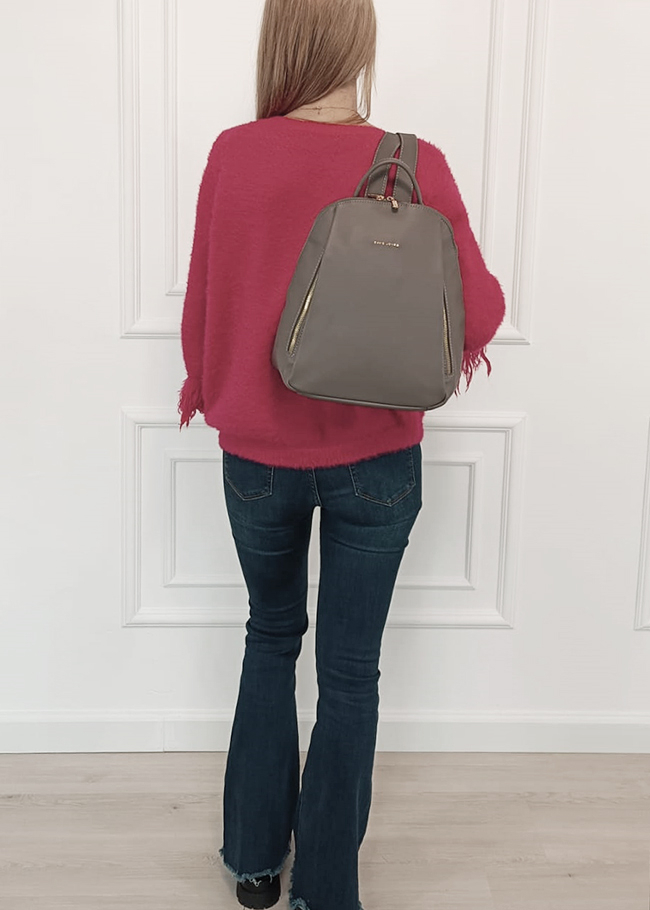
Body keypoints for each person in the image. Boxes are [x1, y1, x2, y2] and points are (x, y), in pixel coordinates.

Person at [177, 1, 505, 908]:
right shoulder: (411, 162)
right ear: (361, 45)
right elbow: (479, 313)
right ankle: (326, 888)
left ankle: (254, 863)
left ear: (279, 41)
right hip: (378, 460)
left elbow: (203, 306)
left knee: (269, 637)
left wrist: (213, 391)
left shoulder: (233, 154)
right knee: (350, 671)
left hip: (256, 457)